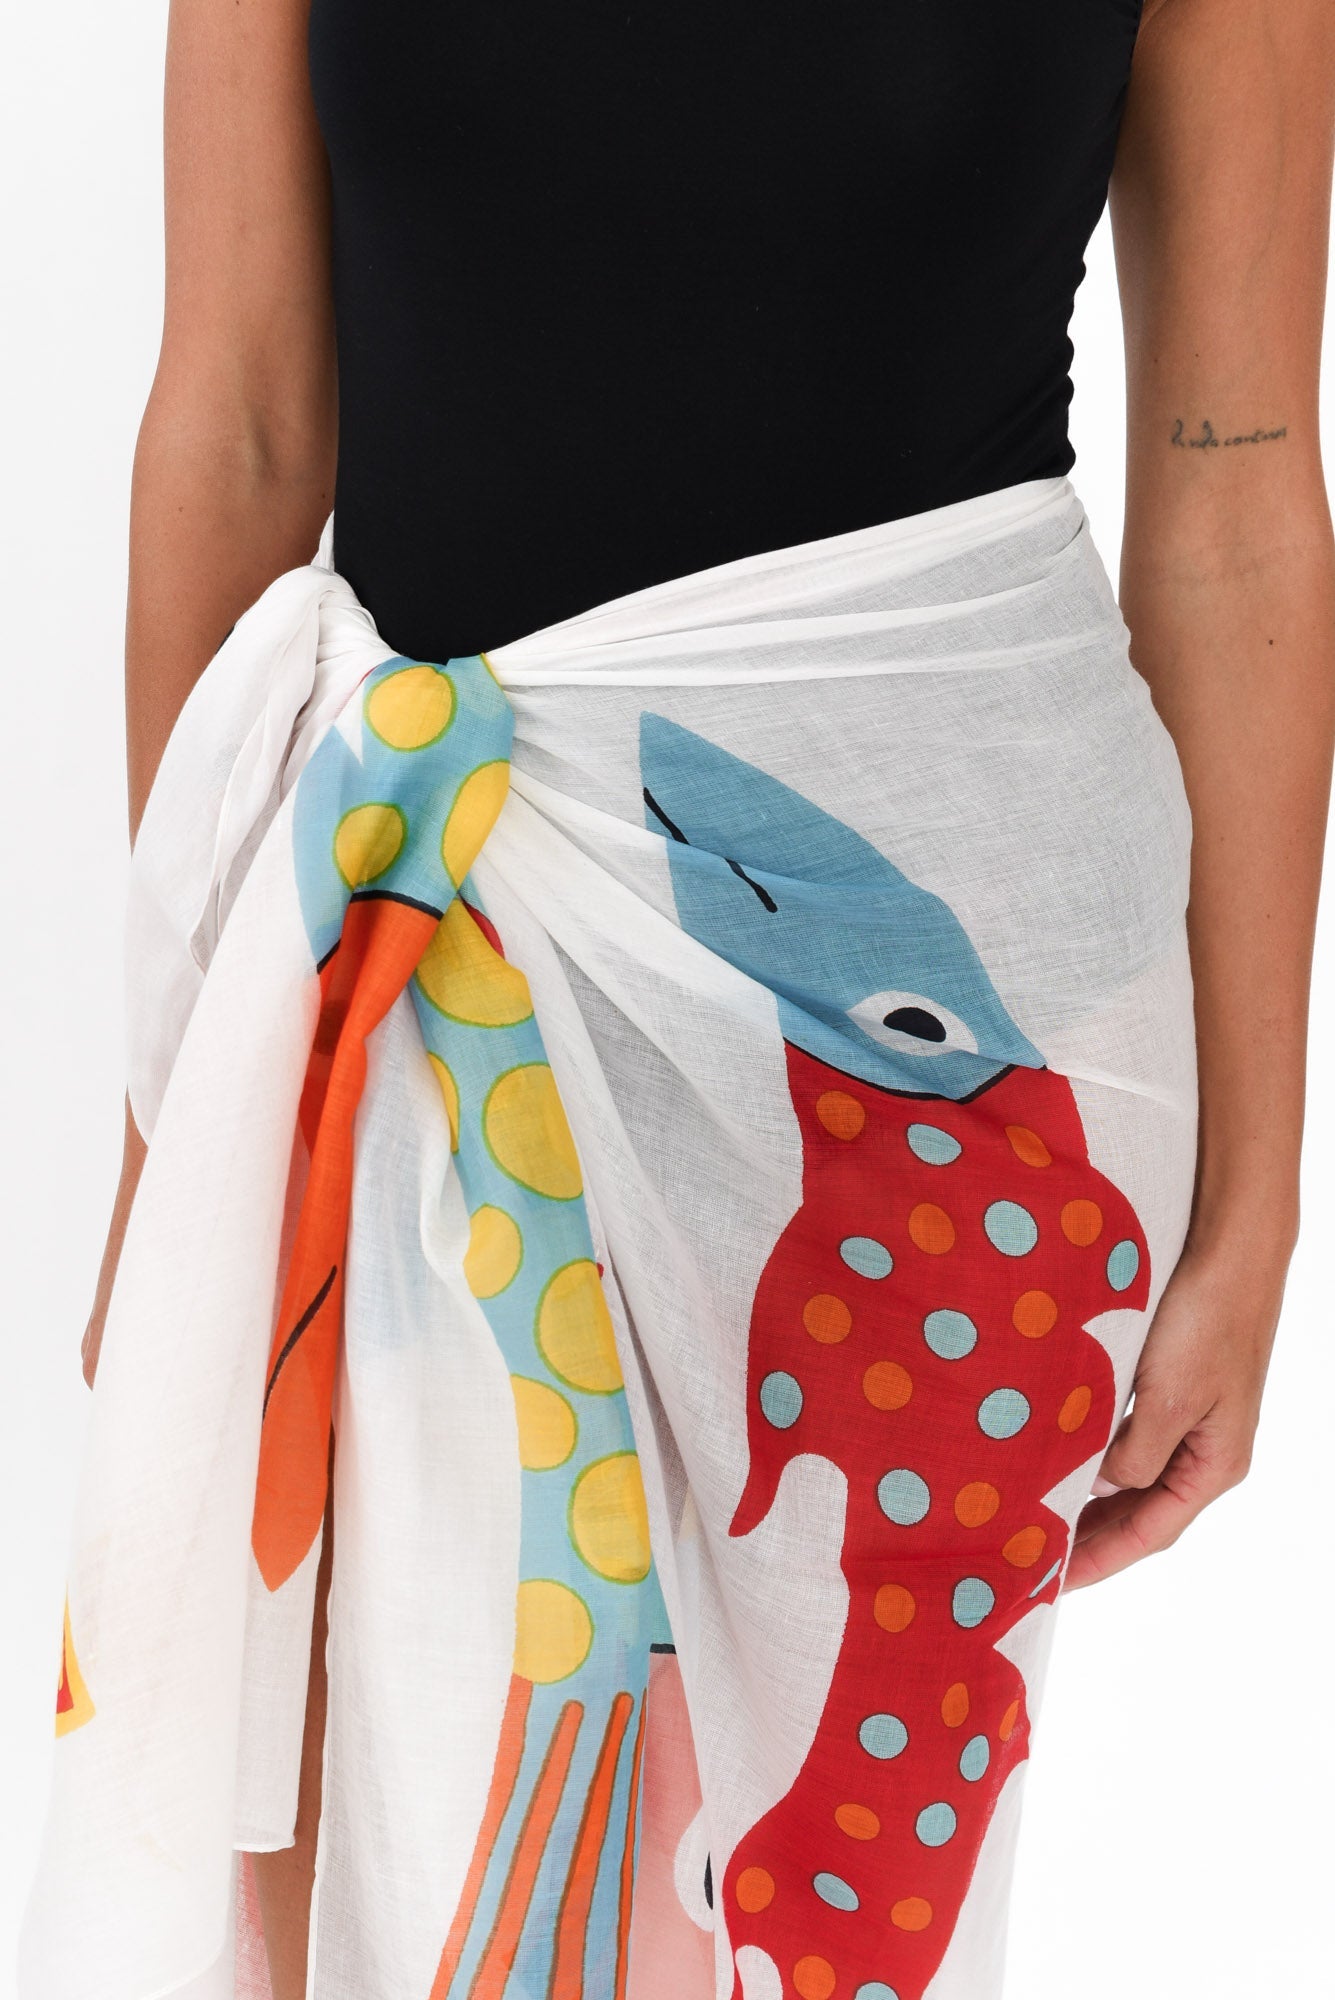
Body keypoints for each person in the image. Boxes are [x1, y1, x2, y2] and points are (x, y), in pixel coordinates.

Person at [21, 2, 1335, 1998]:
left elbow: (1232, 480)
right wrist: (175, 1105)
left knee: (820, 1914)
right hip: (419, 952)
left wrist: (1260, 1191)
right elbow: (243, 424)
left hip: (955, 1062)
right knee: (409, 1870)